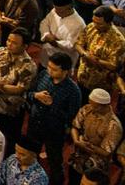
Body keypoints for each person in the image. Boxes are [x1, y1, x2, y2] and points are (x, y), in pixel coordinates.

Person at [25, 51, 80, 185]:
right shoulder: (43, 75)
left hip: (54, 131)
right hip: (35, 124)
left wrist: (52, 105)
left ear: (66, 71)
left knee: (54, 162)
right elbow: (28, 93)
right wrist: (36, 96)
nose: (50, 71)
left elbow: (72, 117)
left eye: (54, 69)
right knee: (30, 155)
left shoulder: (73, 91)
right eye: (49, 67)